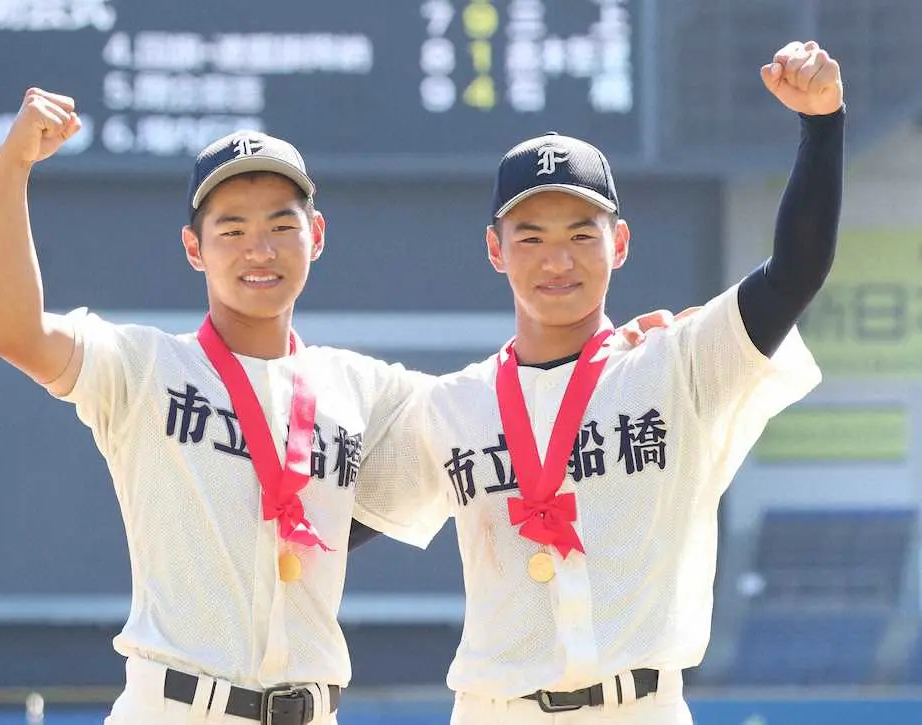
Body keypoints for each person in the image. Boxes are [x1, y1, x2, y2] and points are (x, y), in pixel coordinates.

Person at [0, 88, 677, 724]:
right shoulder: (145, 367)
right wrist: (11, 170)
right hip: (173, 706)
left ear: (316, 235)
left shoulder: (361, 389)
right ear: (194, 247)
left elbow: (505, 409)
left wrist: (612, 352)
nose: (260, 247)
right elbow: (16, 331)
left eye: (282, 225)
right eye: (231, 229)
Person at [352, 40, 844, 724]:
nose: (559, 259)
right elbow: (333, 525)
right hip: (496, 710)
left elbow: (793, 273)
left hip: (638, 705)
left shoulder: (675, 366)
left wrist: (822, 125)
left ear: (620, 242)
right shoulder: (453, 405)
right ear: (495, 248)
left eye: (583, 234)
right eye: (531, 237)